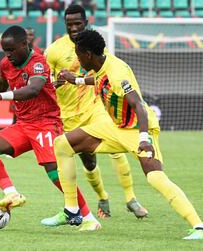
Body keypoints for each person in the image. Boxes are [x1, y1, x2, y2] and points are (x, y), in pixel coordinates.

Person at [53, 29, 203, 239]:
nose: (76, 58)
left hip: (137, 129)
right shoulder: (102, 64)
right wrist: (76, 80)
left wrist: (144, 139)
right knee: (62, 144)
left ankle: (201, 227)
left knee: (156, 178)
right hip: (114, 127)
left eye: (78, 53)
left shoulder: (117, 72)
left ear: (88, 55)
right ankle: (72, 211)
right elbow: (101, 81)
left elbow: (138, 105)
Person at [0, 25, 100, 231]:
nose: (8, 55)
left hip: (46, 123)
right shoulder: (6, 63)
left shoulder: (38, 63)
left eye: (11, 50)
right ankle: (11, 194)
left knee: (54, 172)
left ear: (25, 44)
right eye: (4, 50)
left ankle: (88, 218)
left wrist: (0, 97)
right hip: (24, 125)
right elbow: (1, 83)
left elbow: (33, 89)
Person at [42, 4, 147, 225]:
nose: (73, 28)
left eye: (77, 24)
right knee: (89, 163)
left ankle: (131, 199)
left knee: (117, 151)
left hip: (96, 107)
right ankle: (103, 198)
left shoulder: (96, 45)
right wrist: (56, 83)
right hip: (69, 115)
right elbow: (43, 84)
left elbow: (107, 71)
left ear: (86, 23)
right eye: (69, 24)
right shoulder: (53, 51)